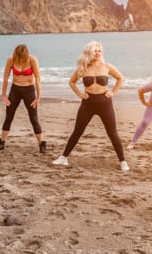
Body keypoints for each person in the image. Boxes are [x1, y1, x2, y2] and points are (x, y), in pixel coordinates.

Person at [52, 41, 130, 171]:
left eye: (100, 51)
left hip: (105, 103)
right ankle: (63, 158)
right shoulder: (83, 67)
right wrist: (79, 94)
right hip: (87, 103)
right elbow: (72, 82)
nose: (98, 53)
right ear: (89, 53)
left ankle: (123, 161)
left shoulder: (107, 66)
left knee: (112, 133)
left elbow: (120, 78)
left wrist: (113, 92)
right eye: (95, 51)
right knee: (78, 131)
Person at [0, 44, 46, 153]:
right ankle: (2, 143)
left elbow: (38, 79)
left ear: (26, 55)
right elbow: (5, 77)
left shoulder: (32, 60)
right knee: (9, 117)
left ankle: (42, 144)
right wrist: (3, 95)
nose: (20, 59)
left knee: (34, 118)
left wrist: (39, 97)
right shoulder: (11, 59)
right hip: (15, 90)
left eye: (22, 57)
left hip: (29, 91)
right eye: (19, 57)